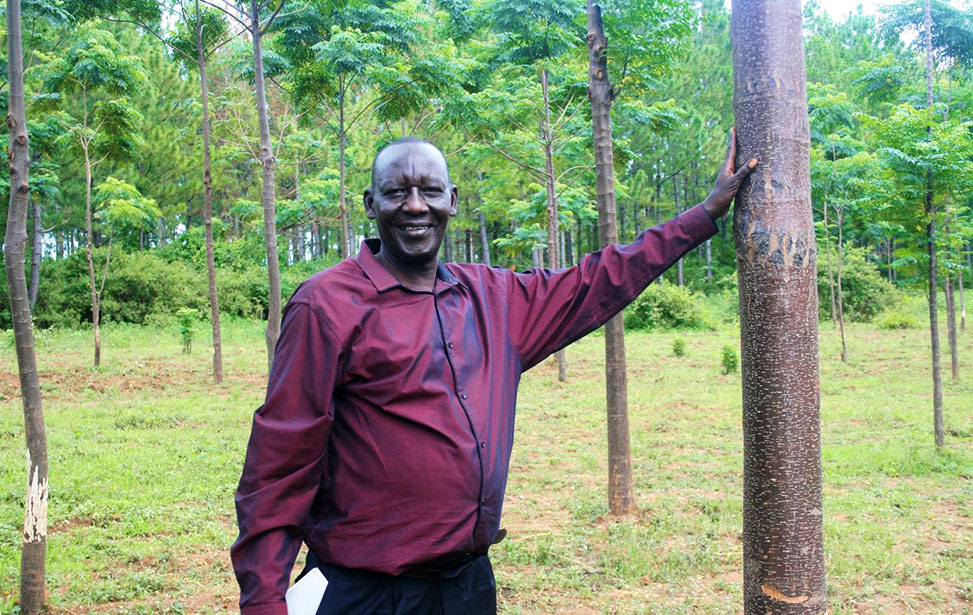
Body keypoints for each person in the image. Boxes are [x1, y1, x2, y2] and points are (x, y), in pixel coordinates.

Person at [231, 133, 757, 615]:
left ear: (452, 201)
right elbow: (279, 464)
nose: (416, 205)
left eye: (430, 190)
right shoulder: (327, 306)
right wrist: (264, 599)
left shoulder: (495, 298)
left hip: (466, 587)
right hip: (365, 592)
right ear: (371, 205)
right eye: (397, 192)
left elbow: (599, 277)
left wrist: (704, 212)